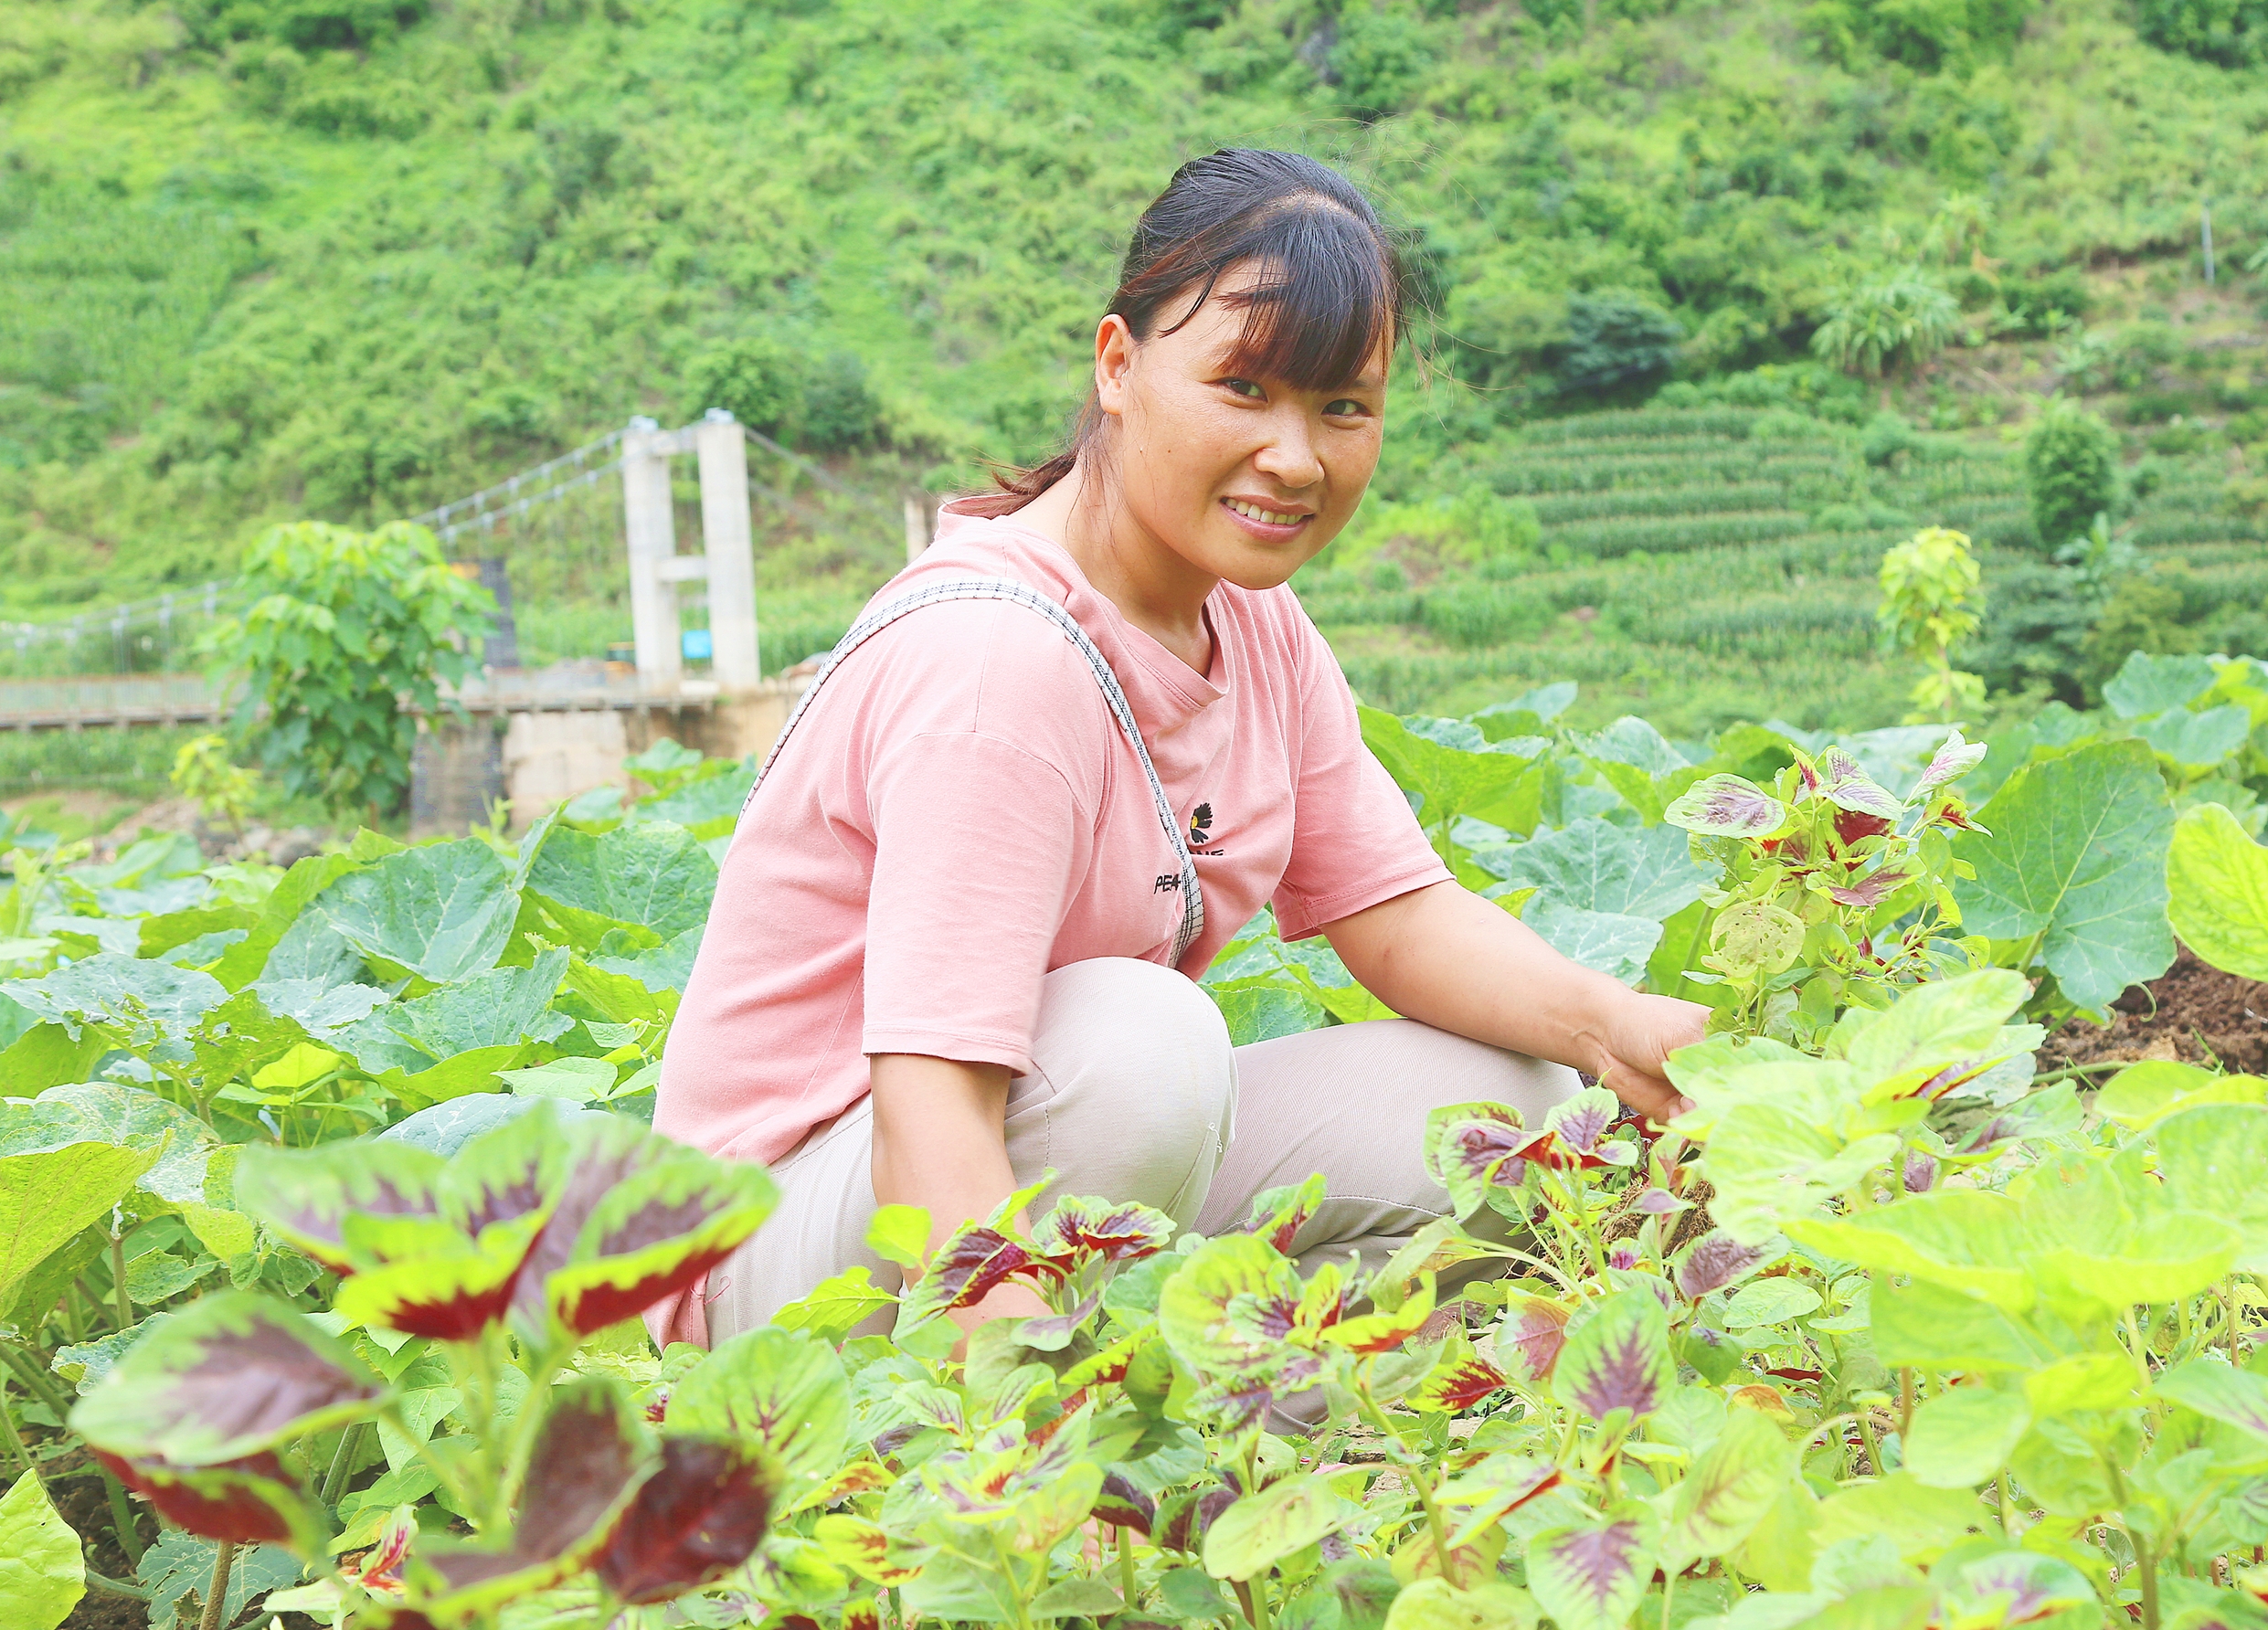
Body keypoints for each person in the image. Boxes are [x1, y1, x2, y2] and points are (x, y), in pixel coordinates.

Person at [650, 148, 1705, 1347]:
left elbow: (1399, 914)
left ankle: (1236, 1378)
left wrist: (1621, 1032)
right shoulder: (999, 664)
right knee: (1145, 1048)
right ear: (1119, 364)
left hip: (1043, 1151)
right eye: (1245, 388)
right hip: (783, 1241)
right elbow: (927, 1110)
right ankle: (1022, 1386)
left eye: (1342, 406)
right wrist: (1029, 1443)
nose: (1297, 456)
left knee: (1511, 1105)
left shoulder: (1248, 618)